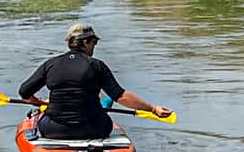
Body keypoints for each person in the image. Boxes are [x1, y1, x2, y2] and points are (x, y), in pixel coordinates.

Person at [18, 24, 163, 140]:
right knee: (104, 113)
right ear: (86, 42)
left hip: (54, 130)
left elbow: (24, 92)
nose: (94, 46)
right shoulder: (96, 65)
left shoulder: (51, 64)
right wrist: (152, 109)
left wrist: (36, 102)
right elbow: (121, 97)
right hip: (93, 129)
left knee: (43, 117)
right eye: (94, 42)